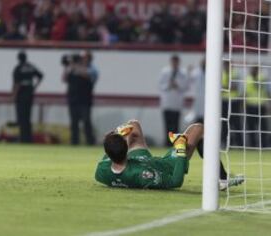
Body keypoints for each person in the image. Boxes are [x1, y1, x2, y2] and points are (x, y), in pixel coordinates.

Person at [95, 120, 244, 190]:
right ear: (126, 150)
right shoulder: (143, 174)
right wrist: (180, 149)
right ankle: (222, 179)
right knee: (198, 129)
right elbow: (175, 182)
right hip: (165, 165)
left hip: (139, 160)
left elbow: (112, 152)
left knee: (133, 125)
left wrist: (118, 135)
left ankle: (222, 178)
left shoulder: (102, 171)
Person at [62, 50, 98, 145]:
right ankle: (75, 142)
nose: (82, 60)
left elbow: (89, 76)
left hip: (85, 100)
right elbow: (64, 78)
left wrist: (75, 66)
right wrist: (67, 67)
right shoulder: (73, 69)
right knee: (74, 123)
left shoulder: (91, 68)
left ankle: (90, 142)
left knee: (86, 122)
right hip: (73, 99)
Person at [13, 51, 43, 143]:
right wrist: (34, 87)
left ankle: (23, 138)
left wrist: (14, 95)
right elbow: (40, 76)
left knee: (21, 117)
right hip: (29, 93)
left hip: (21, 93)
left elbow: (17, 83)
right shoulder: (30, 66)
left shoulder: (18, 68)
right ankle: (28, 138)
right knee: (28, 116)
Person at [159, 55, 189, 146]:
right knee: (167, 125)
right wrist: (169, 85)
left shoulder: (183, 73)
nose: (175, 63)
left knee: (175, 125)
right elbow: (160, 85)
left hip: (177, 103)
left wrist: (177, 85)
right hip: (167, 102)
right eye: (173, 61)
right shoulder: (165, 72)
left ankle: (175, 142)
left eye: (176, 62)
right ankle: (167, 142)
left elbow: (185, 87)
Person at [245, 66, 269, 147]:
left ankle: (264, 145)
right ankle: (252, 145)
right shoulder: (248, 78)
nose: (254, 70)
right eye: (253, 69)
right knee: (251, 127)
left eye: (255, 69)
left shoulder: (262, 78)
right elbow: (245, 93)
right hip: (250, 105)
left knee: (263, 127)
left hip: (261, 105)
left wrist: (268, 104)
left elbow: (264, 90)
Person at [221, 61, 243, 147]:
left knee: (237, 124)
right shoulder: (221, 74)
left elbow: (235, 87)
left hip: (234, 101)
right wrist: (228, 87)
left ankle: (239, 144)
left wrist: (225, 87)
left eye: (228, 65)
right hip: (225, 101)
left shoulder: (235, 73)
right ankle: (225, 143)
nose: (226, 67)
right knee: (224, 123)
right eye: (225, 65)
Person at [190, 58, 206, 123]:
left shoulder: (212, 72)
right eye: (203, 62)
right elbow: (189, 80)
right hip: (198, 98)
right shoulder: (195, 72)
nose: (204, 64)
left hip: (208, 99)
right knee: (198, 121)